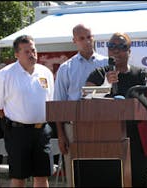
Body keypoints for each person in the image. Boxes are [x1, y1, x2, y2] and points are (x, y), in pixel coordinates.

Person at [86, 32, 147, 187]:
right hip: (107, 140)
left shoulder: (142, 76)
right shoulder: (99, 75)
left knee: (139, 180)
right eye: (111, 46)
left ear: (129, 51)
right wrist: (106, 84)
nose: (116, 50)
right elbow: (85, 101)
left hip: (138, 141)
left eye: (121, 46)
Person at [53, 23, 108, 187]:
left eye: (89, 37)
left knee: (102, 174)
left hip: (104, 127)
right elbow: (58, 105)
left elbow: (113, 95)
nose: (87, 41)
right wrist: (61, 135)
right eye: (82, 38)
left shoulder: (106, 64)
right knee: (76, 176)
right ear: (74, 41)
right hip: (73, 128)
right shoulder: (66, 68)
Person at [0, 35, 54, 187]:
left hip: (42, 131)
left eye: (33, 50)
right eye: (26, 51)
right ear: (17, 54)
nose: (32, 54)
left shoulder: (45, 73)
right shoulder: (4, 75)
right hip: (17, 133)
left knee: (42, 177)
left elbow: (51, 102)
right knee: (18, 178)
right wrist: (16, 121)